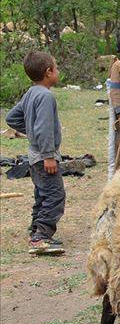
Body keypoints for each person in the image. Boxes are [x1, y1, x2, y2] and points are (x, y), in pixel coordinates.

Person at [5, 51, 66, 255]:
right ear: (48, 72)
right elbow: (44, 128)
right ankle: (41, 237)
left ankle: (35, 230)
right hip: (43, 157)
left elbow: (12, 117)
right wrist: (48, 154)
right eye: (56, 68)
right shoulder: (46, 96)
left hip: (33, 156)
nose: (58, 71)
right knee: (55, 195)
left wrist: (30, 131)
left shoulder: (31, 93)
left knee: (42, 195)